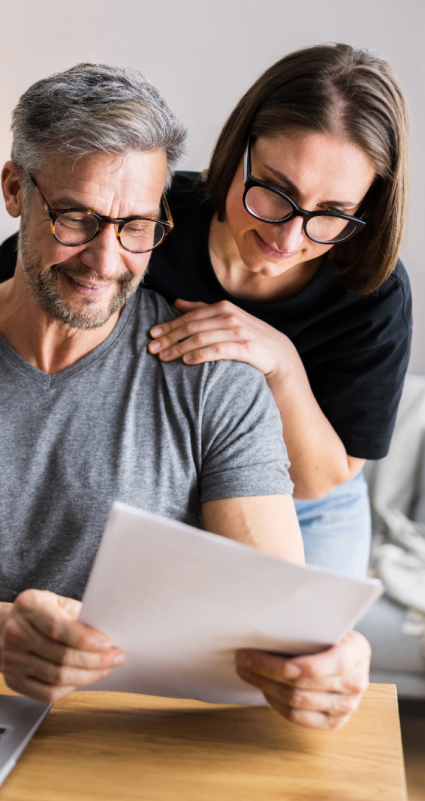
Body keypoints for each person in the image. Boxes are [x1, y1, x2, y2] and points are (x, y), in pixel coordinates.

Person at [0, 63, 370, 732]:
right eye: (77, 217)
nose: (106, 260)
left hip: (127, 740)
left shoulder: (215, 383)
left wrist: (332, 660)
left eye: (137, 225)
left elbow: (280, 620)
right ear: (13, 191)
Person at [138, 43, 412, 580]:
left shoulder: (376, 294)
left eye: (332, 213)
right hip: (163, 488)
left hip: (309, 511)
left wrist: (280, 361)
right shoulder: (146, 216)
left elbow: (318, 480)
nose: (288, 237)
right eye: (275, 190)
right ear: (238, 148)